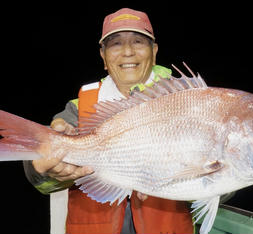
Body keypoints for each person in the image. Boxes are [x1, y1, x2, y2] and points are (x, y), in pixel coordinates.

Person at [23, 8, 194, 234]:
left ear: (154, 51)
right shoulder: (78, 108)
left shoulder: (186, 100)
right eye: (115, 44)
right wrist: (47, 169)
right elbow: (39, 177)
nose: (128, 52)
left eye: (138, 42)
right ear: (103, 56)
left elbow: (220, 179)